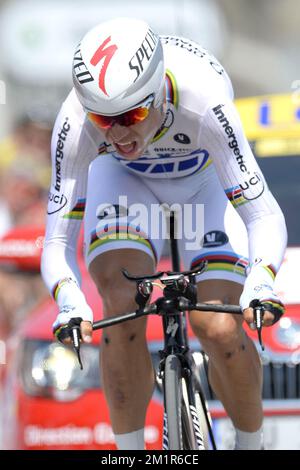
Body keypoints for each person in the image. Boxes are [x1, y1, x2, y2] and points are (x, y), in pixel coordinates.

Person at [41, 17, 287, 450]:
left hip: (203, 184)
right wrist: (69, 301)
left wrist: (261, 282)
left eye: (133, 114)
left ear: (157, 93)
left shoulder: (203, 98)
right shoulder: (74, 123)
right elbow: (57, 241)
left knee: (218, 325)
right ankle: (131, 453)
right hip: (125, 183)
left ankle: (252, 445)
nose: (118, 133)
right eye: (104, 119)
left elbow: (263, 214)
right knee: (119, 300)